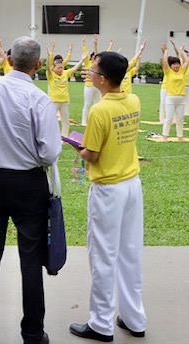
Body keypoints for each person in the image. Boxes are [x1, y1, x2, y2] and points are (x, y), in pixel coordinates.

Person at [0, 36, 60, 344]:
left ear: (9, 60)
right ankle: (32, 333)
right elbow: (49, 153)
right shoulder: (39, 98)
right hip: (28, 183)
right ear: (38, 65)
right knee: (31, 260)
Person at [70, 51, 145, 342]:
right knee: (129, 253)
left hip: (108, 189)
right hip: (131, 184)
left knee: (103, 256)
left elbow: (93, 154)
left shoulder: (100, 110)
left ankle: (101, 324)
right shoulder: (133, 100)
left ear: (102, 78)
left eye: (92, 68)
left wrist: (75, 146)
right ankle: (134, 318)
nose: (88, 71)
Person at [47, 40, 84, 137]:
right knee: (51, 120)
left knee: (65, 121)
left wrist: (81, 60)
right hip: (54, 101)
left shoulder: (65, 73)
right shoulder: (51, 75)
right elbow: (48, 68)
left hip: (64, 101)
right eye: (59, 68)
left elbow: (74, 69)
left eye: (62, 67)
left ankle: (64, 137)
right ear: (54, 68)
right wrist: (49, 55)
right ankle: (51, 136)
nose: (61, 69)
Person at [160, 43, 189, 140]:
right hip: (171, 98)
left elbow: (187, 61)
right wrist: (166, 51)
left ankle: (180, 136)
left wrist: (182, 51)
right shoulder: (168, 72)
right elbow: (164, 62)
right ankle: (165, 136)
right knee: (169, 118)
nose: (176, 66)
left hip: (181, 98)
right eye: (174, 64)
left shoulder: (182, 71)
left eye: (178, 64)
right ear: (171, 65)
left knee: (180, 119)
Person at [81, 35, 100, 126]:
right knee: (87, 103)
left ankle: (94, 121)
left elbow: (97, 54)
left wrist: (95, 44)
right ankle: (84, 121)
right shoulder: (87, 63)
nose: (94, 59)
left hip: (97, 86)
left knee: (97, 104)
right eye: (93, 57)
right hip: (88, 86)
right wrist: (84, 44)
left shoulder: (98, 65)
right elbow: (85, 53)